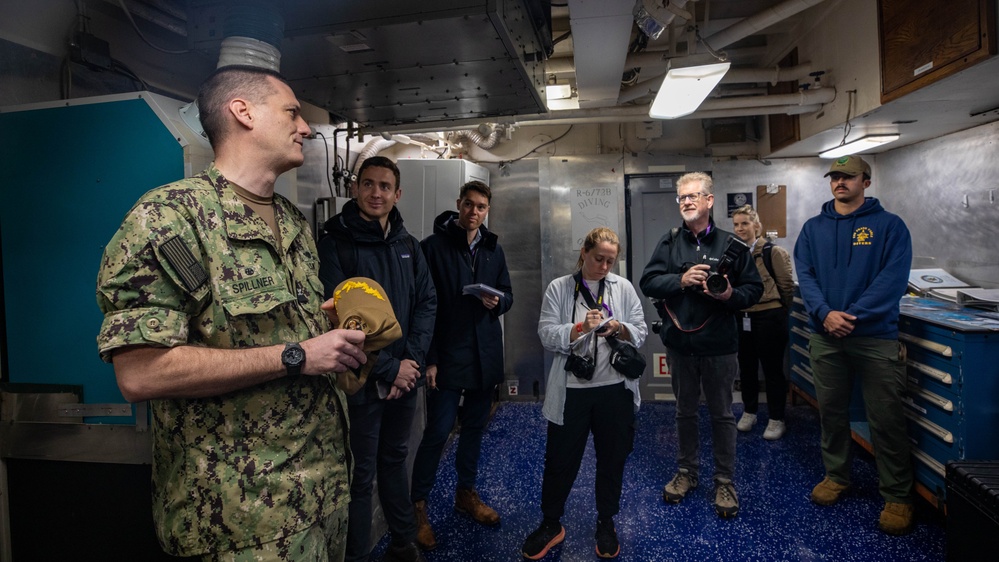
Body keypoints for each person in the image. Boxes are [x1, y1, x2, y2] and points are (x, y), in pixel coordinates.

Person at [95, 65, 368, 560]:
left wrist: (328, 331)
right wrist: (296, 354)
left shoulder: (291, 222)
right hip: (242, 522)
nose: (305, 127)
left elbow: (284, 335)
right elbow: (140, 374)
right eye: (291, 112)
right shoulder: (168, 218)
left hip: (323, 497)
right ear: (242, 112)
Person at [318, 155, 437, 562]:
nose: (376, 193)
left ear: (397, 193)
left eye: (385, 186)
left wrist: (411, 365)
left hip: (405, 377)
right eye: (368, 184)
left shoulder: (407, 245)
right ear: (355, 188)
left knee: (395, 460)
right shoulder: (336, 241)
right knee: (360, 475)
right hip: (362, 380)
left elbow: (427, 303)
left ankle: (402, 543)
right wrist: (388, 368)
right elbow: (337, 317)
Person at [793, 155, 915, 535]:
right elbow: (806, 275)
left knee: (886, 417)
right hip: (826, 336)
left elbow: (892, 279)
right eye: (835, 177)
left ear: (867, 180)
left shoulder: (890, 227)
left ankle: (897, 495)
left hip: (875, 337)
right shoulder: (813, 229)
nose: (840, 182)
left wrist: (853, 316)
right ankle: (837, 476)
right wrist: (825, 313)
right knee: (831, 412)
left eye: (848, 176)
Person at [639, 172, 762, 519]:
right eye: (682, 198)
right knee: (685, 412)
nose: (687, 202)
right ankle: (687, 472)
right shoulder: (671, 240)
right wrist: (679, 279)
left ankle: (724, 481)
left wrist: (727, 294)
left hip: (720, 347)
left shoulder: (731, 245)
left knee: (723, 414)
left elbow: (753, 290)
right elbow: (647, 280)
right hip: (680, 345)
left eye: (694, 196)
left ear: (709, 201)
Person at [522, 227, 648, 560]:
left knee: (612, 459)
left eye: (610, 261)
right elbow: (546, 333)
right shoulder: (560, 288)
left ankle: (606, 522)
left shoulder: (622, 288)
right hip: (573, 391)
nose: (604, 267)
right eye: (598, 259)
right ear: (584, 252)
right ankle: (551, 523)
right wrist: (581, 328)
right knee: (560, 461)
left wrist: (618, 327)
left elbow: (641, 329)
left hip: (614, 390)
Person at [410, 181, 513, 550]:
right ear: (458, 205)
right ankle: (417, 507)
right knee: (437, 432)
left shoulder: (492, 248)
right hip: (448, 356)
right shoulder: (432, 248)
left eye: (481, 207)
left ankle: (465, 494)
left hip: (484, 356)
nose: (474, 212)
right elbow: (424, 306)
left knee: (473, 430)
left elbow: (508, 294)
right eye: (468, 205)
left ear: (487, 211)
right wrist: (431, 359)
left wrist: (496, 303)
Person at [731, 205, 794, 440]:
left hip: (769, 316)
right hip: (743, 316)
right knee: (746, 367)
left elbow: (786, 286)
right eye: (736, 224)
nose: (740, 228)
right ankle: (750, 411)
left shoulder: (772, 252)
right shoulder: (735, 254)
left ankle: (776, 418)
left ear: (757, 226)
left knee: (772, 369)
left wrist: (779, 309)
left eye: (745, 224)